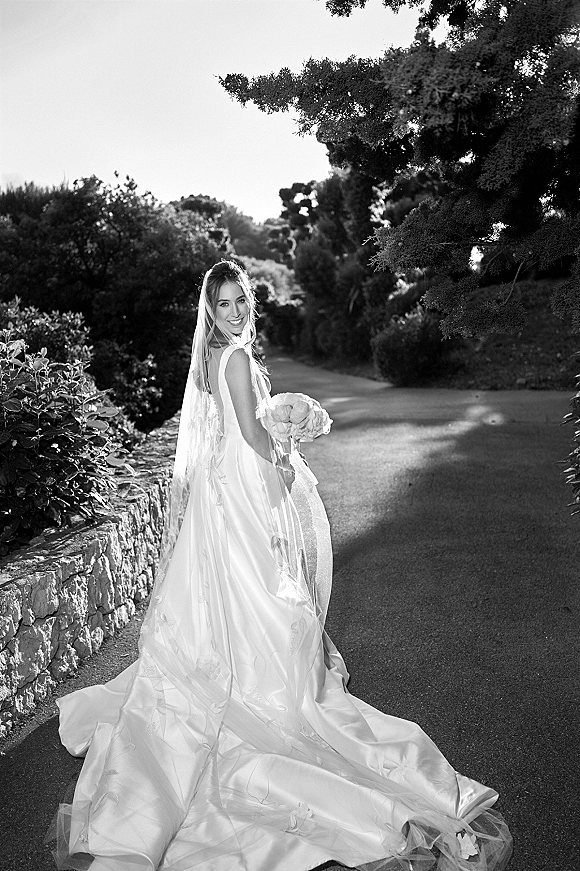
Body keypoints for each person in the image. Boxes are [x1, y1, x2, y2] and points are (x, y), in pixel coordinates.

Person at [53, 260, 512, 871]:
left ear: (248, 302)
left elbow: (229, 432)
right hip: (237, 494)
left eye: (240, 300)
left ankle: (235, 680)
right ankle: (266, 699)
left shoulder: (214, 359)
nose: (235, 312)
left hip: (221, 494)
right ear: (209, 313)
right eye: (222, 305)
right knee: (261, 597)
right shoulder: (236, 359)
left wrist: (283, 436)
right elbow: (250, 433)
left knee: (230, 604)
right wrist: (290, 451)